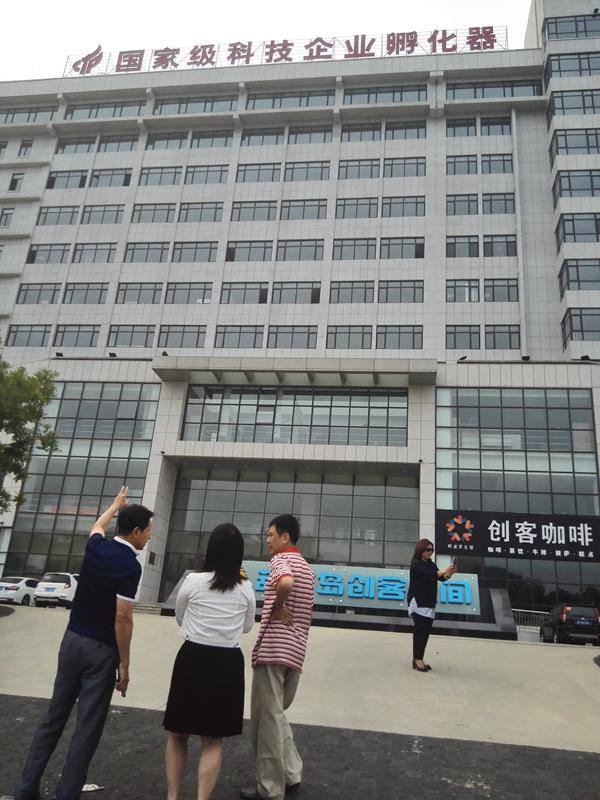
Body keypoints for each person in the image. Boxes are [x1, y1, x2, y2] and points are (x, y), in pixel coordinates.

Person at [15, 486, 153, 800]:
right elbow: (123, 618)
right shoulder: (131, 566)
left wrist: (115, 505)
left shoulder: (96, 546)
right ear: (135, 531)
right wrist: (125, 664)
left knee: (53, 718)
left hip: (71, 641)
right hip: (101, 652)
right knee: (86, 730)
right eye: (147, 531)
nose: (148, 537)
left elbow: (97, 526)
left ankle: (25, 789)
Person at [164, 523, 256, 800]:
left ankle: (172, 796)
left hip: (192, 657)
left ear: (211, 550)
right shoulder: (245, 588)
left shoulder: (193, 581)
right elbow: (247, 627)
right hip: (227, 663)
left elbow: (180, 616)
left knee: (178, 733)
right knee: (213, 740)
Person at [240, 515, 315, 800]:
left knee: (267, 719)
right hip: (295, 652)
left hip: (273, 650)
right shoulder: (307, 568)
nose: (268, 540)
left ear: (285, 537)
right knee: (276, 713)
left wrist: (278, 604)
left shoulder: (281, 560)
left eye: (271, 534)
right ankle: (292, 773)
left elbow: (285, 581)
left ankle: (270, 787)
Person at [407, 539, 456, 672]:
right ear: (421, 549)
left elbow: (440, 578)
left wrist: (449, 574)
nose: (430, 552)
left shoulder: (431, 564)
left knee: (426, 631)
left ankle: (419, 658)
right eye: (428, 549)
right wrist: (443, 571)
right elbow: (427, 574)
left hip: (429, 602)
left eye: (432, 550)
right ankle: (417, 659)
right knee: (420, 630)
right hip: (418, 601)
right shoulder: (416, 563)